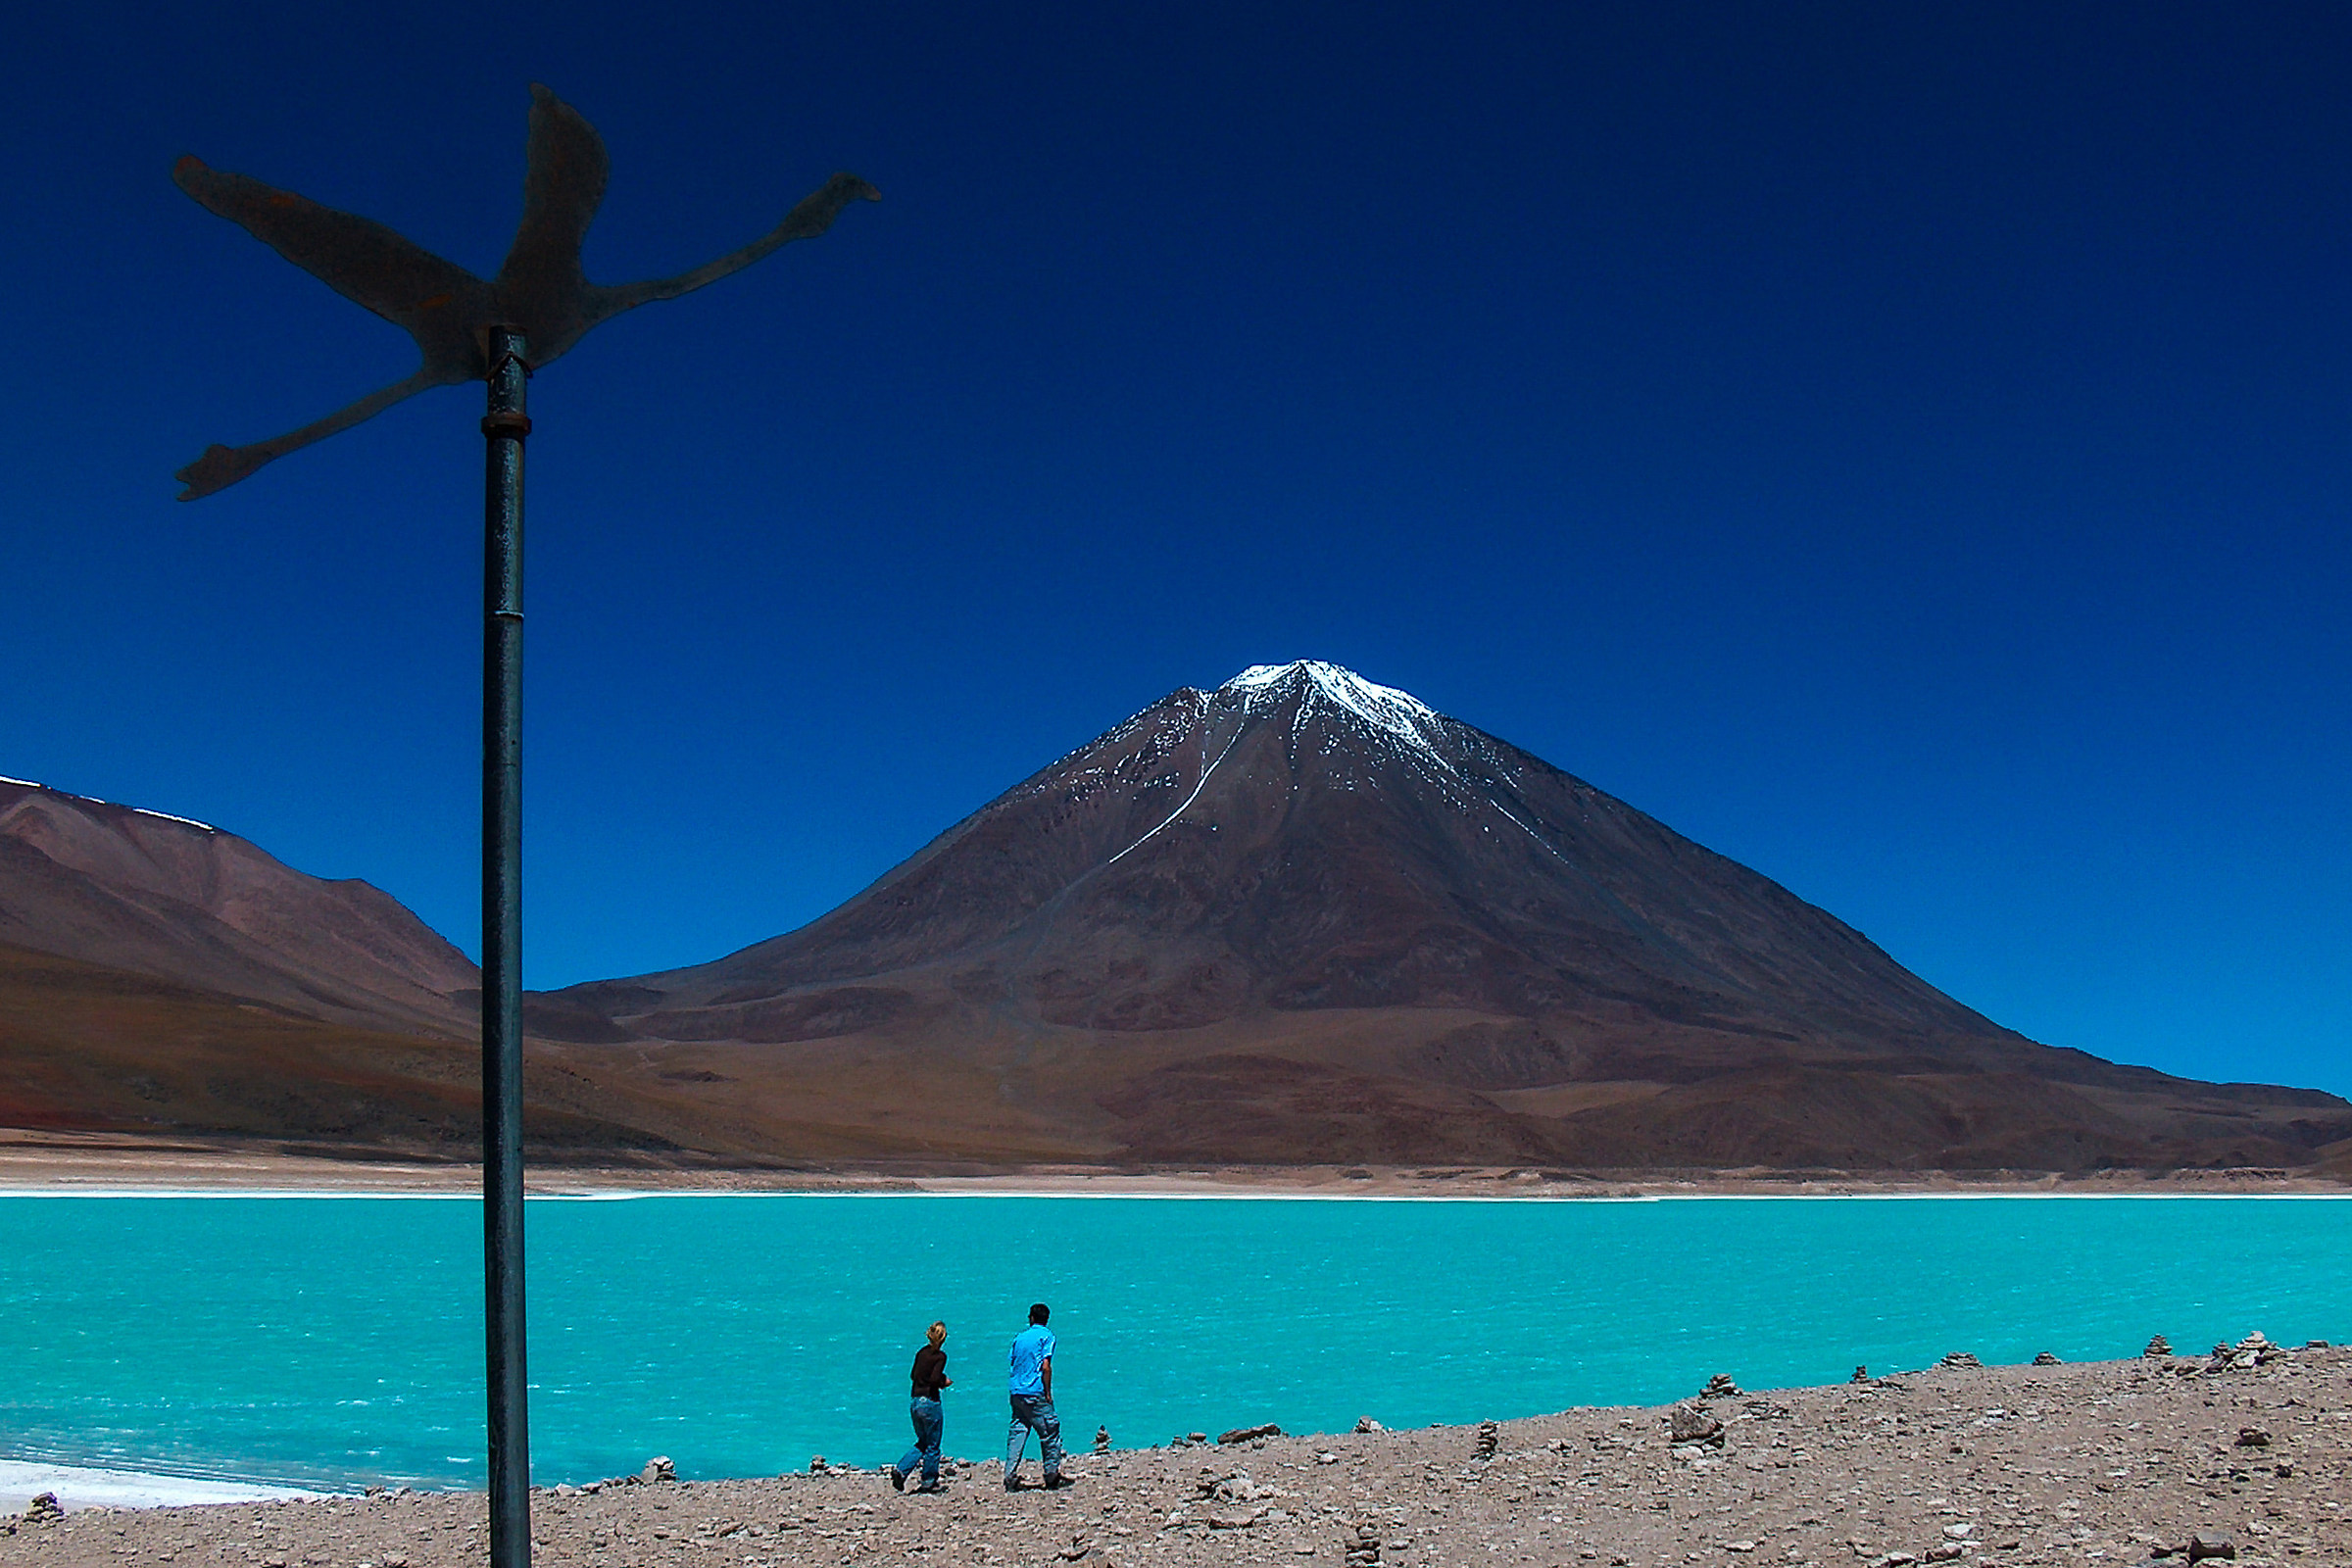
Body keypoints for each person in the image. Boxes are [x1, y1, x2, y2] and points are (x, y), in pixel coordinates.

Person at [1004, 1301, 1071, 1491]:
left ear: (1031, 1318)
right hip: (1035, 1391)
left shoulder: (1019, 1338)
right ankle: (1051, 1475)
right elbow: (1045, 1366)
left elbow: (1013, 1362)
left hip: (1017, 1391)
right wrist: (1048, 1392)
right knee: (1050, 1432)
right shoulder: (1047, 1336)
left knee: (1018, 1432)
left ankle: (1009, 1475)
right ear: (1046, 1319)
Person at [887, 1321, 952, 1494]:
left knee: (923, 1441)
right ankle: (929, 1481)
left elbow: (913, 1375)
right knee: (933, 1444)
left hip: (915, 1400)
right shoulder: (940, 1357)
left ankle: (901, 1470)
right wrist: (943, 1382)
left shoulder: (921, 1353)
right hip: (930, 1402)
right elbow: (934, 1378)